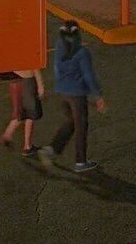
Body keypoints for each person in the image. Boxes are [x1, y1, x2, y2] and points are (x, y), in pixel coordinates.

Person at [39, 21, 106, 172]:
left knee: (71, 122)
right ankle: (80, 162)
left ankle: (51, 149)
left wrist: (59, 85)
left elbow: (56, 68)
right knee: (81, 127)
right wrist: (98, 96)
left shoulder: (59, 47)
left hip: (63, 92)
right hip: (77, 94)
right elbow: (89, 76)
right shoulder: (82, 52)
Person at [0, 69, 45, 157]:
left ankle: (7, 135)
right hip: (27, 80)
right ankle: (27, 146)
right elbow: (35, 66)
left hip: (15, 79)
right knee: (31, 113)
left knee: (20, 111)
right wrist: (40, 84)